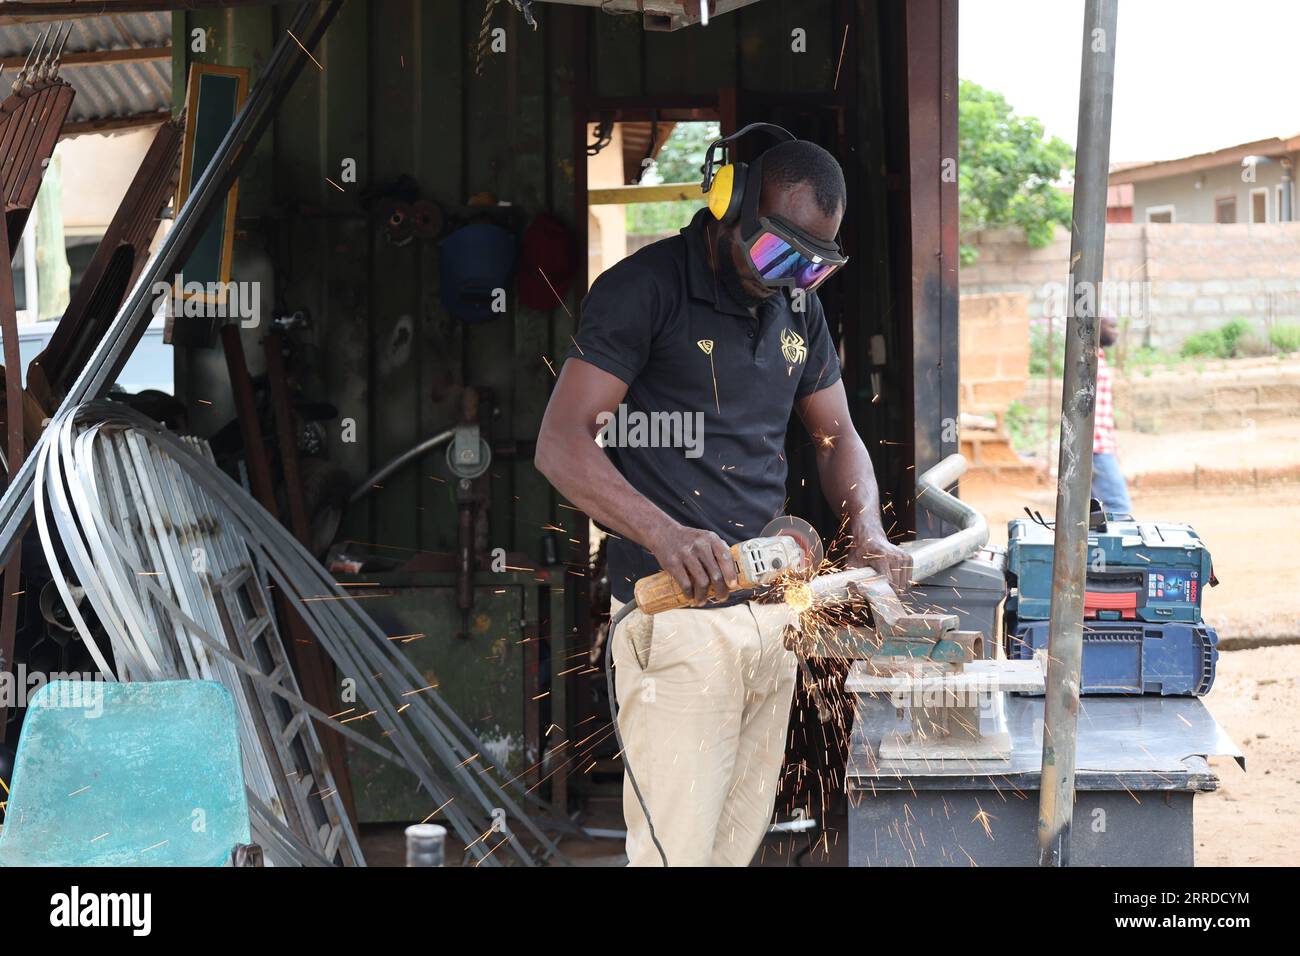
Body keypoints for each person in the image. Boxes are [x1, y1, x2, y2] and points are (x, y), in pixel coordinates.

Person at [535, 126, 909, 866]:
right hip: (676, 621)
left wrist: (866, 526)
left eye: (808, 268)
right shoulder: (644, 292)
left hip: (772, 616)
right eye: (774, 254)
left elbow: (837, 436)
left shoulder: (797, 308)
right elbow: (562, 444)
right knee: (677, 853)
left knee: (735, 847)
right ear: (728, 204)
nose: (783, 279)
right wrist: (665, 533)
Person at [1091, 315, 1132, 516]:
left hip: (1099, 446)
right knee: (1118, 508)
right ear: (1095, 327)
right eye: (1111, 326)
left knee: (1092, 512)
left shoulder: (1097, 358)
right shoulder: (1089, 362)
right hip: (1096, 448)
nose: (1116, 331)